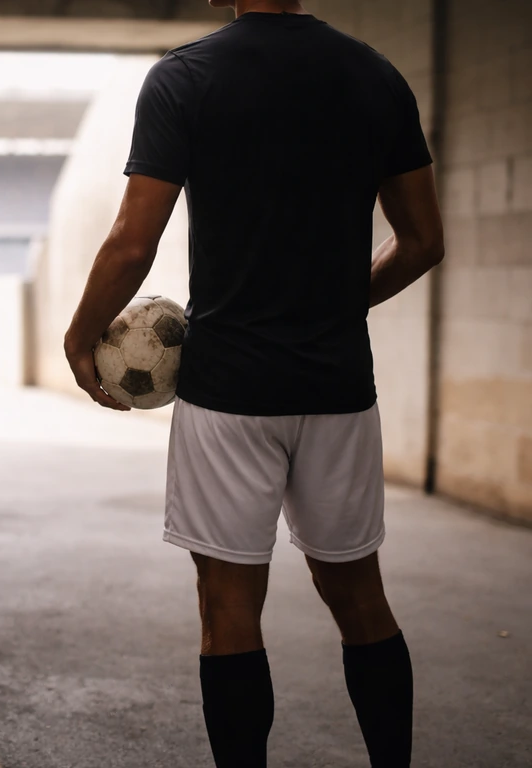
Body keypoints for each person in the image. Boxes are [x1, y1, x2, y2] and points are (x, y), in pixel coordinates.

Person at [64, 0, 444, 765]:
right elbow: (423, 242)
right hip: (338, 385)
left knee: (228, 608)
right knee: (361, 599)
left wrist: (80, 334)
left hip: (229, 391)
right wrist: (334, 304)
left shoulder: (185, 76)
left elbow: (134, 240)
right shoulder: (376, 76)